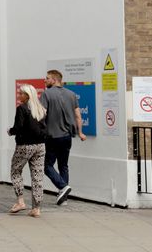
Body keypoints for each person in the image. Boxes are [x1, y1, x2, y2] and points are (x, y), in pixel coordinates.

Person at [40, 69, 86, 205]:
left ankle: (62, 187)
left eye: (47, 78)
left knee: (46, 165)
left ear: (54, 80)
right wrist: (80, 133)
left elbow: (42, 114)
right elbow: (78, 116)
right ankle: (63, 198)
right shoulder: (72, 95)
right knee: (63, 166)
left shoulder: (46, 94)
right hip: (67, 137)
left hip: (52, 137)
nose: (45, 80)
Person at [8, 84, 47, 218]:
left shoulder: (21, 109)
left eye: (21, 94)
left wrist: (10, 131)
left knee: (15, 171)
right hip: (40, 146)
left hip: (25, 145)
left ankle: (20, 201)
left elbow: (18, 127)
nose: (18, 96)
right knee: (37, 176)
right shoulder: (41, 109)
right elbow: (44, 128)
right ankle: (36, 208)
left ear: (27, 96)